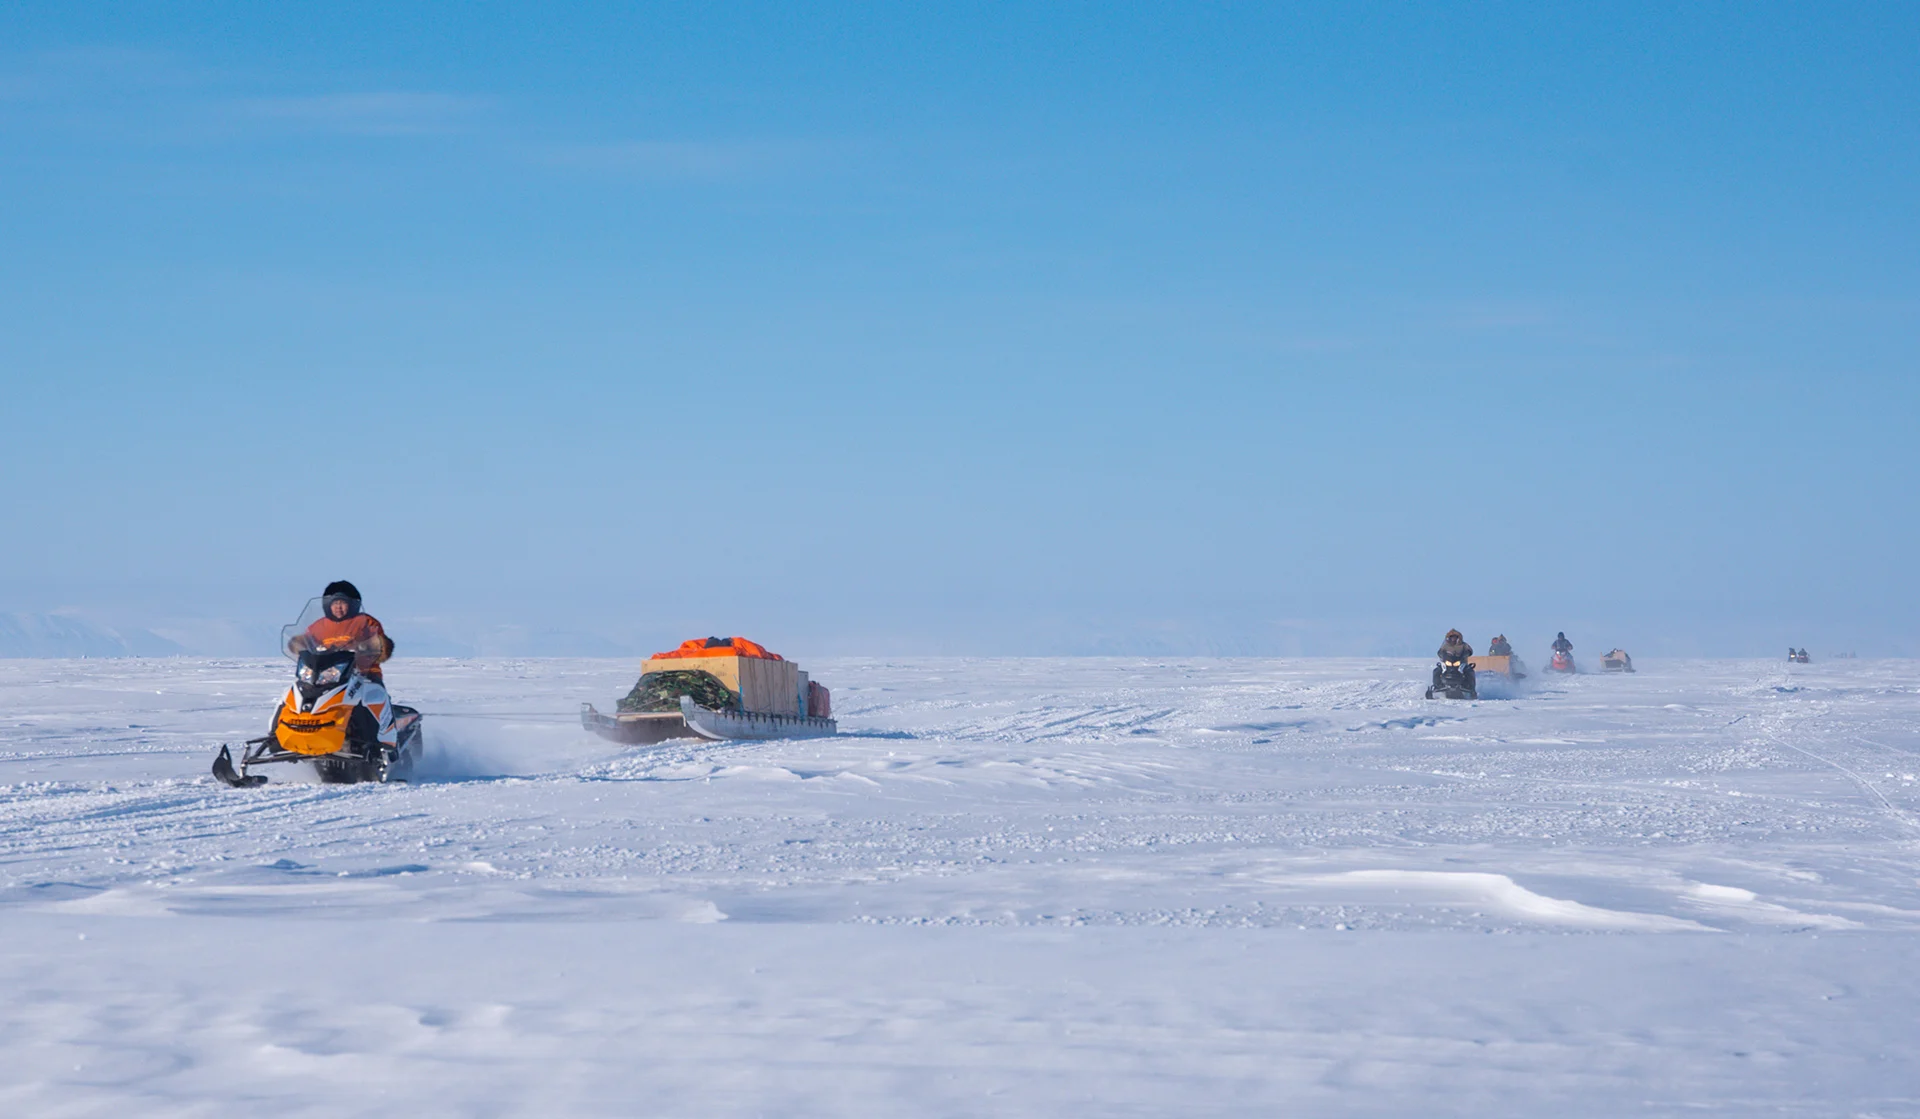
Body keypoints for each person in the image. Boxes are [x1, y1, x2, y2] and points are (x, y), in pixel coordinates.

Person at [297, 580, 394, 681]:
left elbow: (381, 646)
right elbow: (306, 644)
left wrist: (368, 647)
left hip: (363, 673)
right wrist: (300, 648)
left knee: (374, 692)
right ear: (328, 605)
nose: (338, 607)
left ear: (352, 604)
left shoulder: (365, 621)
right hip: (327, 676)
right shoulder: (317, 626)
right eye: (335, 603)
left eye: (343, 602)